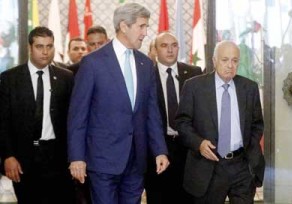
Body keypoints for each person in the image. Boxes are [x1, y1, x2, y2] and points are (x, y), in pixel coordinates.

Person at [68, 3, 169, 204]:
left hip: (136, 161)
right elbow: (78, 115)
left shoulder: (146, 64)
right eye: (141, 26)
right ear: (124, 26)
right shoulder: (93, 63)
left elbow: (151, 112)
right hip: (102, 160)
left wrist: (160, 150)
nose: (145, 33)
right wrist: (76, 157)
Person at [176, 40, 265, 204]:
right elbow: (182, 123)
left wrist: (248, 152)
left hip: (241, 166)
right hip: (208, 166)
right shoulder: (194, 87)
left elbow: (257, 124)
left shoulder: (249, 88)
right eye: (225, 60)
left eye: (235, 60)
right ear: (214, 61)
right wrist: (199, 143)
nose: (230, 65)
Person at [0, 26, 75, 204]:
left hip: (58, 156)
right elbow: (3, 121)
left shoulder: (66, 77)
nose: (45, 51)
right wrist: (8, 156)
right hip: (25, 157)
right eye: (40, 46)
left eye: (49, 46)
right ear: (30, 48)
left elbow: (73, 119)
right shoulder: (10, 78)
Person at [144, 31, 203, 204]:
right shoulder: (146, 76)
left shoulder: (194, 72)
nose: (170, 50)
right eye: (164, 46)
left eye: (174, 45)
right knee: (159, 196)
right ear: (155, 50)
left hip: (188, 148)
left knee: (188, 197)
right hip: (158, 148)